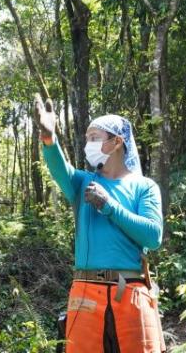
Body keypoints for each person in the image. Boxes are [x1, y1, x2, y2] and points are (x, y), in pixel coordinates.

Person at [33, 95, 165, 352]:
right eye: (87, 139)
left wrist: (109, 206)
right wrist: (50, 140)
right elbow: (61, 169)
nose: (88, 144)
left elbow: (153, 236)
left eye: (95, 137)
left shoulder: (144, 187)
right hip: (84, 296)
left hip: (131, 295)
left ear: (117, 142)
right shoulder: (82, 182)